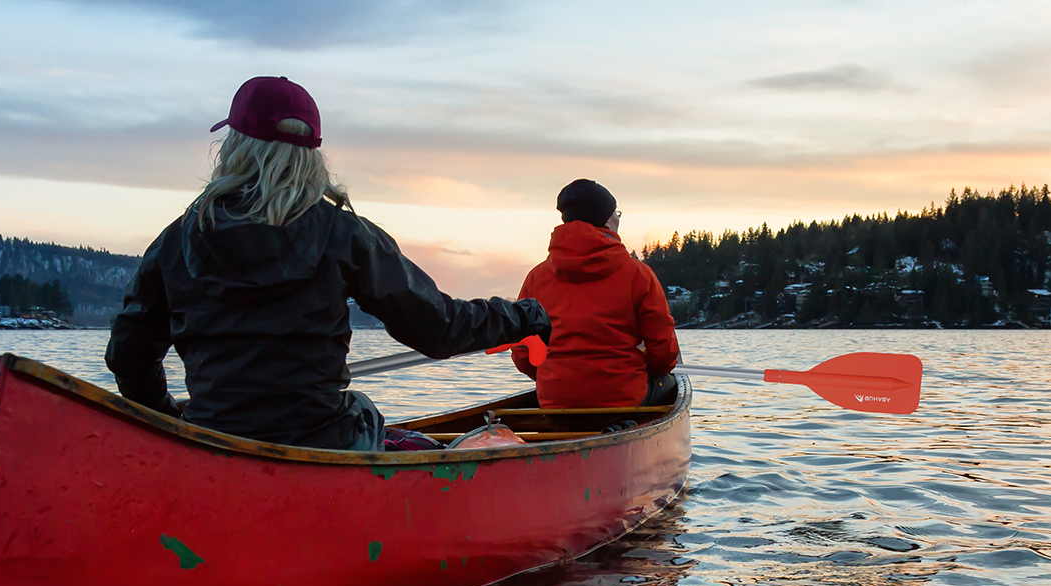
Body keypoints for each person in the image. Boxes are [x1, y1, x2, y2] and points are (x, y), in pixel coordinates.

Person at [105, 76, 550, 451]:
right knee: (371, 418)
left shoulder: (176, 241)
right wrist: (526, 316)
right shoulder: (344, 234)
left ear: (235, 147)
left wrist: (172, 429)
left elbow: (129, 357)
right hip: (324, 440)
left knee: (363, 415)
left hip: (214, 440)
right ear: (311, 155)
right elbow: (440, 328)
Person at [511, 179, 681, 428]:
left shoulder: (536, 278)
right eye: (616, 213)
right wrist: (646, 369)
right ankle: (625, 432)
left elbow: (521, 352)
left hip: (556, 403)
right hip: (622, 401)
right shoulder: (638, 274)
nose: (618, 219)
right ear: (606, 219)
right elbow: (664, 353)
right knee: (674, 384)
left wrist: (552, 377)